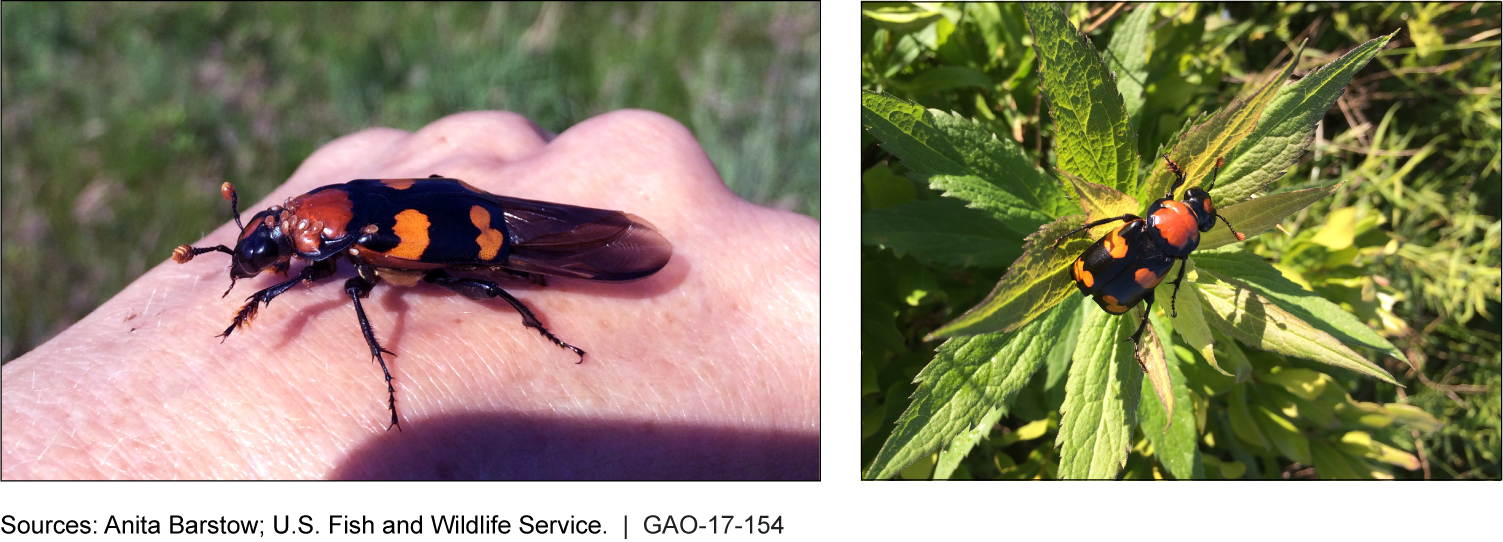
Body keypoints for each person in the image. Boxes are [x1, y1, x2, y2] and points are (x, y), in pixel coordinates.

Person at [0, 110, 819, 480]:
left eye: (264, 258)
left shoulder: (335, 244)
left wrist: (277, 309)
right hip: (460, 212)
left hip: (485, 234)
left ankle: (542, 330)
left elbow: (349, 285)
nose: (262, 260)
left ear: (289, 238)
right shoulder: (315, 222)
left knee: (476, 281)